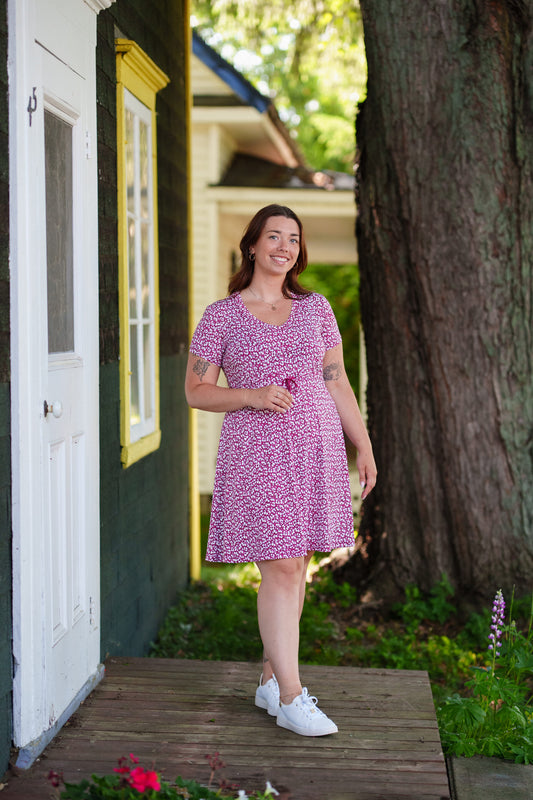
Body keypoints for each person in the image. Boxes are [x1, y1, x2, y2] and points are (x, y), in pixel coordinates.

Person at [185, 204, 377, 737]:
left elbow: (337, 381)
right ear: (252, 245)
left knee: (298, 567)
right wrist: (250, 394)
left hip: (316, 449)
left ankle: (271, 681)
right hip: (257, 454)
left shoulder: (316, 309)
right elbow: (196, 391)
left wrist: (363, 445)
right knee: (282, 569)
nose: (284, 247)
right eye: (274, 236)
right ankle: (293, 697)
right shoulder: (221, 316)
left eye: (293, 239)